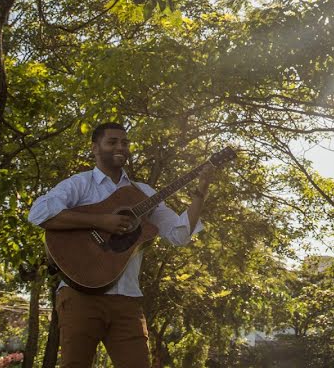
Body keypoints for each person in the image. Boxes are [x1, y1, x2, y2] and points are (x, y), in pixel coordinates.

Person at [29, 122, 212, 368]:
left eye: (125, 143)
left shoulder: (143, 193)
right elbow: (39, 214)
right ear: (95, 148)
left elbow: (178, 235)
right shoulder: (80, 184)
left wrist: (201, 190)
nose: (121, 147)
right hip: (79, 294)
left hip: (127, 299)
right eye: (112, 142)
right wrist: (101, 220)